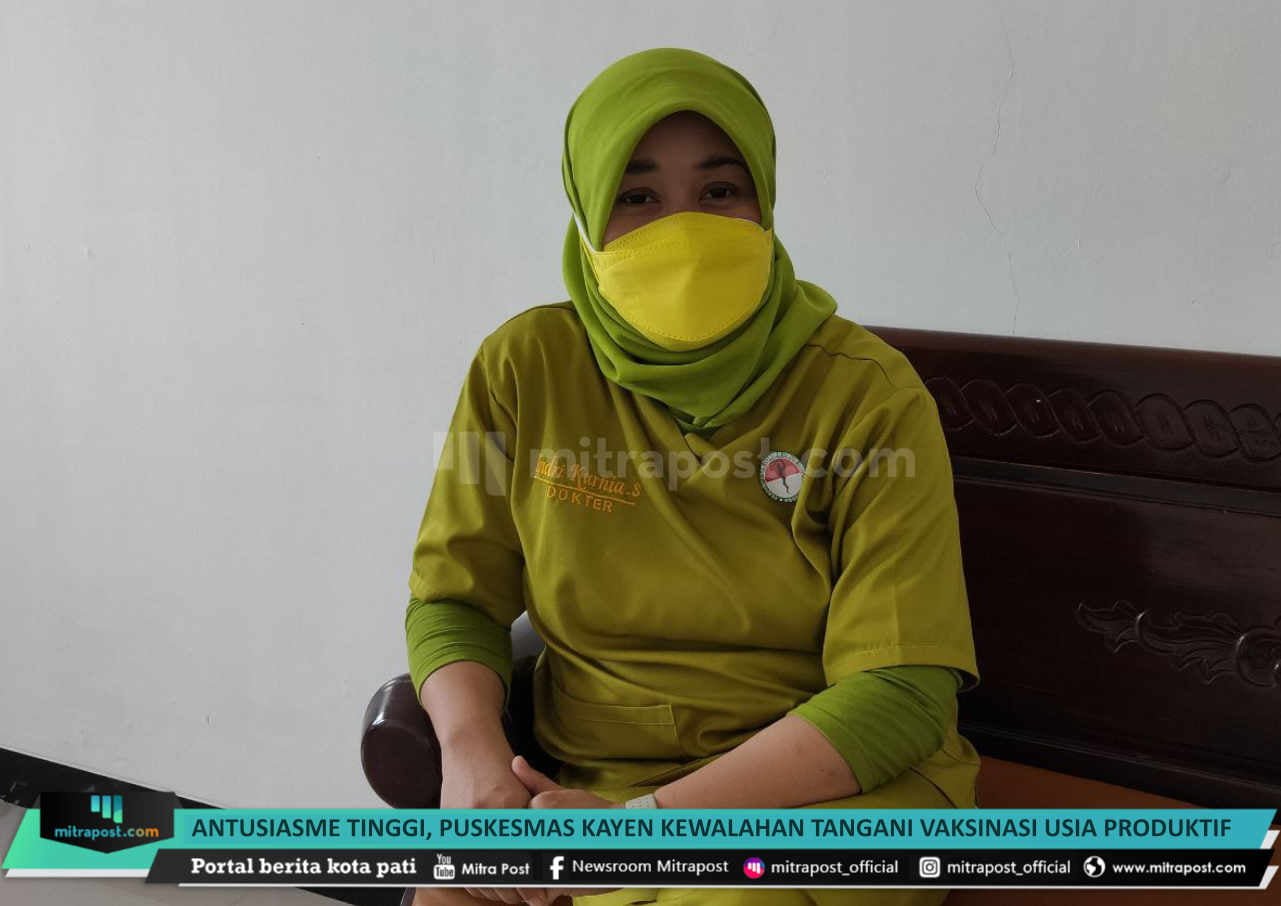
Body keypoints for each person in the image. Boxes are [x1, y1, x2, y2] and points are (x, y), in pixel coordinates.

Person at [404, 47, 981, 906]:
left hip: (828, 788)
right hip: (588, 775)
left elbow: (901, 690)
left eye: (719, 191)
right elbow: (453, 601)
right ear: (586, 210)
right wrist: (472, 766)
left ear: (764, 202)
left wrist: (643, 831)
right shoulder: (523, 367)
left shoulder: (868, 395)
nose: (681, 228)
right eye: (636, 197)